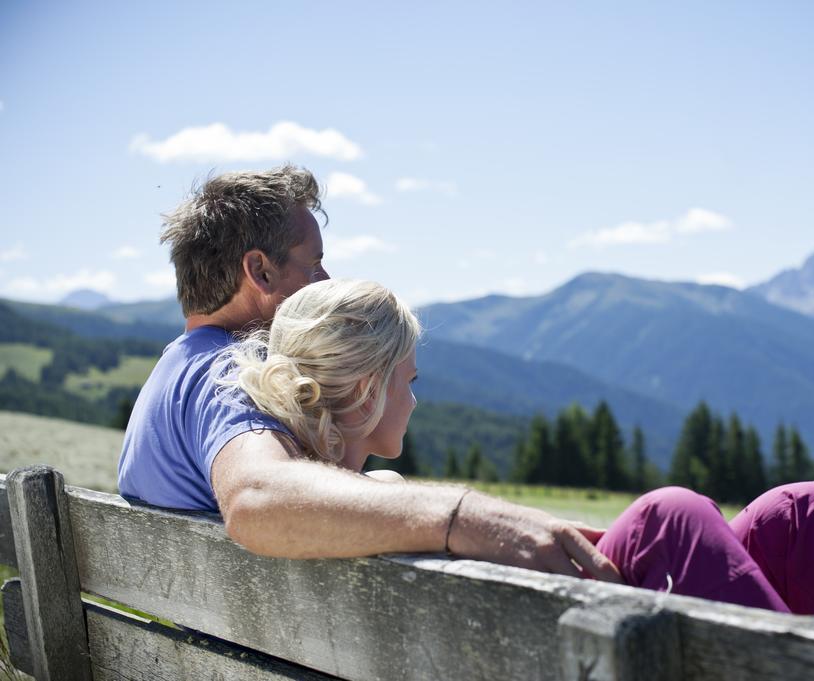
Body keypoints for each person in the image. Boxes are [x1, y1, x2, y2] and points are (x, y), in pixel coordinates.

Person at [219, 277, 814, 644]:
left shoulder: (323, 501)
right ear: (366, 389)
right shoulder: (366, 497)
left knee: (794, 510)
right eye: (409, 383)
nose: (417, 403)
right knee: (671, 515)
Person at [117, 165, 622, 582]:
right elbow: (257, 498)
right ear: (261, 272)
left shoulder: (176, 368)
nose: (327, 281)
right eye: (314, 265)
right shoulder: (232, 376)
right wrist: (463, 518)